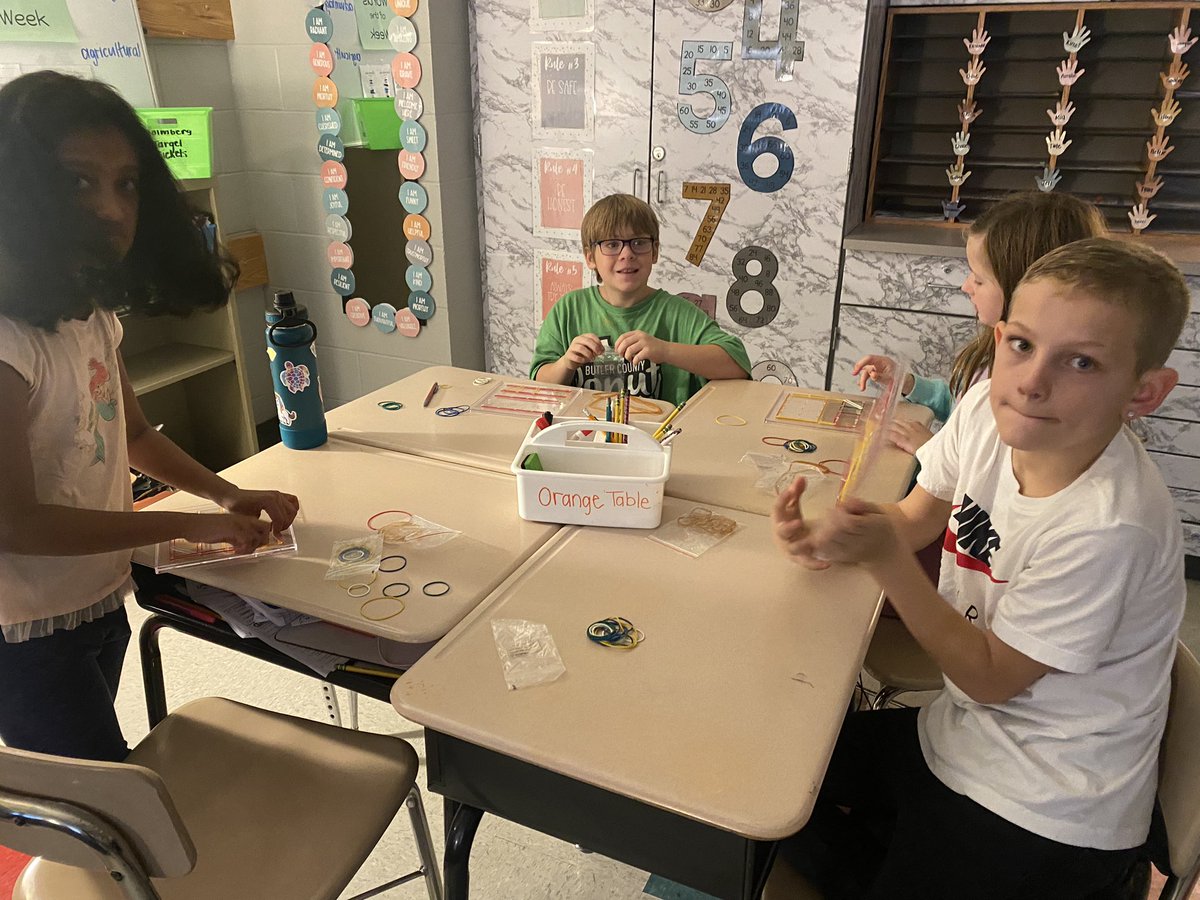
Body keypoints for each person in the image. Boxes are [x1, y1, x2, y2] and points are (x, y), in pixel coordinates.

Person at [772, 238, 1189, 899]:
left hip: (1049, 803)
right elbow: (916, 517)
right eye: (1021, 345)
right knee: (773, 781)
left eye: (1081, 361)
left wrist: (885, 560)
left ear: (1145, 391)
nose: (1033, 381)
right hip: (962, 734)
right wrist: (836, 541)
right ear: (999, 338)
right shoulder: (984, 411)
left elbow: (991, 677)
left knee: (801, 816)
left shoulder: (1111, 526)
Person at [0, 72, 298, 762]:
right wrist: (194, 523)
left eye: (126, 184)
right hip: (23, 628)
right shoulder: (9, 341)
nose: (110, 207)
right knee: (97, 805)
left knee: (98, 766)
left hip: (96, 592)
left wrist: (225, 492)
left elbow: (131, 433)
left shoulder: (92, 315)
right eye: (79, 181)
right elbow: (16, 523)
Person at [853, 191, 1106, 454]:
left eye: (979, 279)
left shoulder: (1032, 395)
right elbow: (961, 405)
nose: (966, 286)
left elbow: (982, 475)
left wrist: (930, 449)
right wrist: (910, 384)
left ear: (1021, 286)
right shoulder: (993, 354)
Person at [531, 193, 750, 406]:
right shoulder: (569, 309)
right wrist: (566, 363)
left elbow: (737, 364)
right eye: (612, 244)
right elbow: (539, 386)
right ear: (590, 257)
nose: (627, 254)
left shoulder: (677, 313)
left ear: (654, 252)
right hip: (581, 437)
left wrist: (665, 350)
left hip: (658, 439)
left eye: (638, 242)